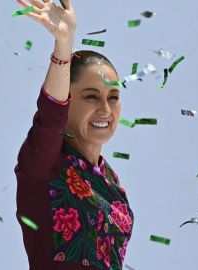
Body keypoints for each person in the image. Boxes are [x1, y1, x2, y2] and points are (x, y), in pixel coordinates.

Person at [14, 0, 134, 269]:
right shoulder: (45, 163)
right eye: (91, 96)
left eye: (113, 97)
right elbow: (50, 115)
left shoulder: (113, 184)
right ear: (68, 102)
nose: (105, 109)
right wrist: (63, 45)